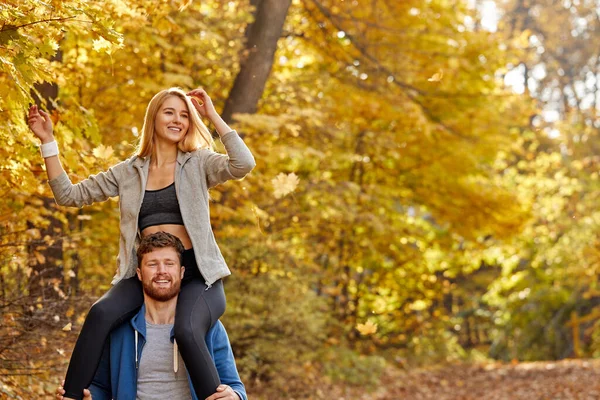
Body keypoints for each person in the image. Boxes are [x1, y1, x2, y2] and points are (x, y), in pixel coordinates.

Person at [28, 87, 255, 400]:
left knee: (188, 332)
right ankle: (69, 397)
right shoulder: (129, 172)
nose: (178, 119)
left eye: (185, 115)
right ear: (154, 117)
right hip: (147, 273)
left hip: (198, 276)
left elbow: (244, 164)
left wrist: (211, 115)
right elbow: (68, 195)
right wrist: (47, 142)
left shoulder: (198, 162)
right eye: (170, 112)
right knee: (100, 313)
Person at [56, 232, 246, 400]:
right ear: (139, 273)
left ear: (181, 273)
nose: (161, 271)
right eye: (152, 264)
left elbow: (234, 385)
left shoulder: (207, 326)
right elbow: (100, 386)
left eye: (169, 264)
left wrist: (234, 396)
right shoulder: (120, 329)